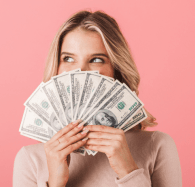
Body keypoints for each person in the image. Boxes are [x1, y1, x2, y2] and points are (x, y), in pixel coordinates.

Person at [13, 10, 182, 187]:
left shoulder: (156, 146)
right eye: (68, 58)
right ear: (56, 66)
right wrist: (55, 182)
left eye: (96, 60)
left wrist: (128, 170)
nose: (80, 72)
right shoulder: (30, 159)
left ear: (116, 70)